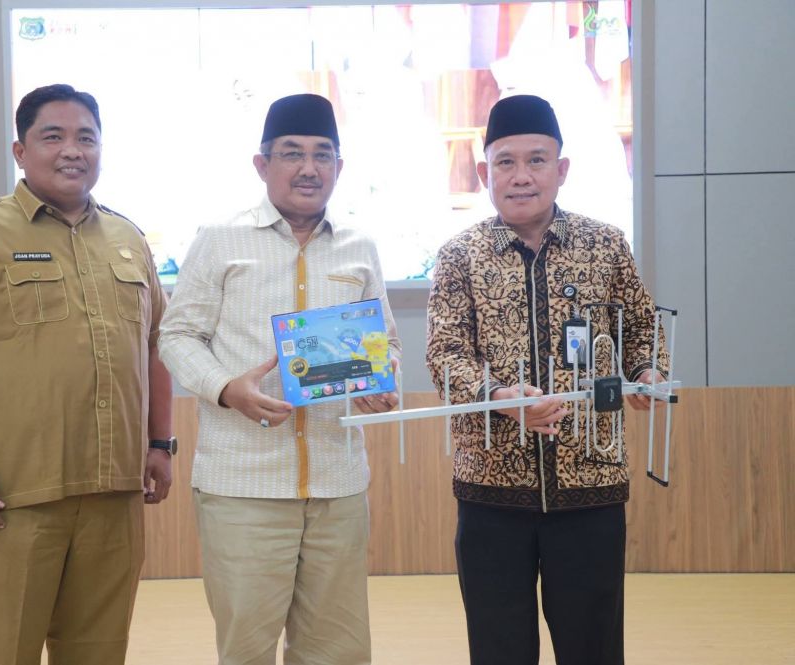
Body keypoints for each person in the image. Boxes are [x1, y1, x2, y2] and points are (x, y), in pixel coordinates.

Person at [0, 83, 174, 665]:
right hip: (11, 498)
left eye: (86, 138)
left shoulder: (129, 239)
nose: (73, 150)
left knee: (99, 654)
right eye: (53, 136)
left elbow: (155, 346)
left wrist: (159, 444)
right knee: (2, 652)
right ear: (20, 151)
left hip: (113, 495)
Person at [158, 93, 401, 665]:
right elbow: (176, 335)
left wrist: (380, 378)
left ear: (339, 166)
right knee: (246, 650)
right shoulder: (220, 238)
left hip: (337, 486)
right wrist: (226, 388)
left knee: (337, 653)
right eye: (292, 153)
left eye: (322, 155)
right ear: (262, 164)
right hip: (243, 486)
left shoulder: (360, 246)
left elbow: (387, 342)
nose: (308, 168)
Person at [425, 94, 668, 665]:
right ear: (484, 173)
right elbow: (445, 354)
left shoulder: (606, 245)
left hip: (590, 485)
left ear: (562, 169)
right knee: (500, 648)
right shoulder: (460, 255)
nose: (521, 176)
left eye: (537, 160)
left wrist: (646, 370)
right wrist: (498, 398)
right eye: (505, 162)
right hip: (491, 492)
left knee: (593, 647)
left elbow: (641, 327)